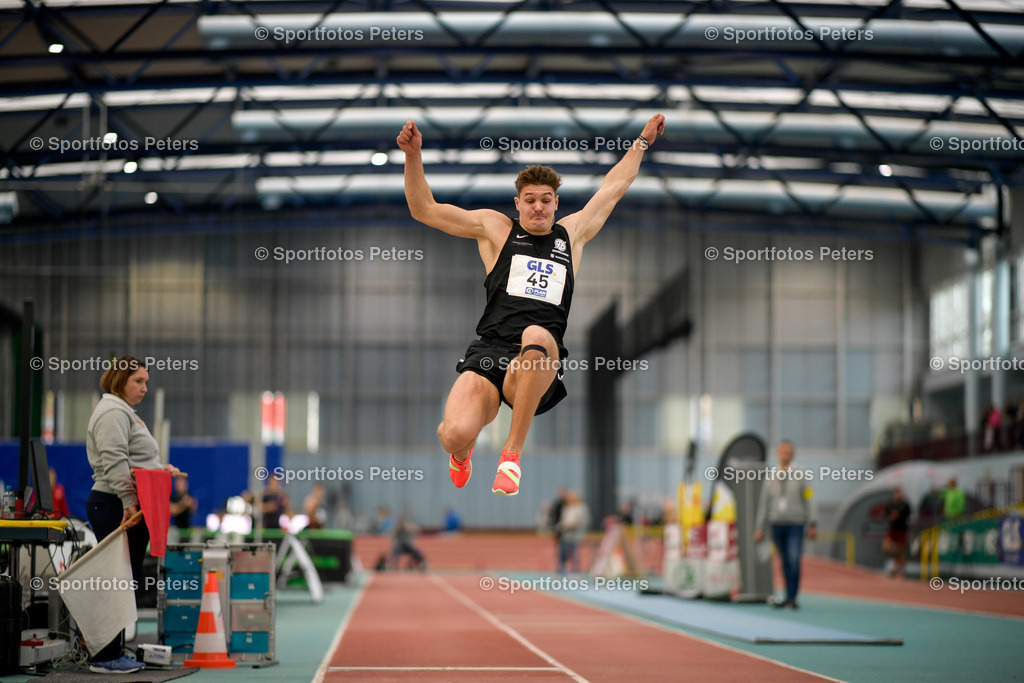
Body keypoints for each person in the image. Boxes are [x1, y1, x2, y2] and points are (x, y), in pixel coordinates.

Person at [398, 114, 666, 497]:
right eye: (530, 201)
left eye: (545, 201)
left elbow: (614, 187)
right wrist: (412, 156)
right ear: (517, 203)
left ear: (556, 203)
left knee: (536, 334)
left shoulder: (571, 235)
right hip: (490, 352)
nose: (538, 208)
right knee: (453, 434)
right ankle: (463, 453)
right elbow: (424, 209)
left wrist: (641, 141)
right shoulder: (495, 229)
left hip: (538, 358)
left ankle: (511, 455)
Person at [86, 356, 180, 674]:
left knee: (124, 580)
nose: (144, 388)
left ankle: (112, 651)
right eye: (138, 381)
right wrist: (129, 501)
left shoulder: (123, 412)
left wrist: (159, 470)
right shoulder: (113, 411)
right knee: (117, 580)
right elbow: (114, 459)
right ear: (119, 380)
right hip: (115, 504)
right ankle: (105, 656)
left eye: (146, 381)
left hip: (123, 503)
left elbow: (134, 459)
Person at [753, 440, 817, 609]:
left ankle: (792, 597)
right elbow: (763, 503)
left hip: (795, 523)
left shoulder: (801, 474)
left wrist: (812, 523)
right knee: (784, 561)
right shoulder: (771, 476)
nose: (786, 454)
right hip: (776, 523)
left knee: (794, 559)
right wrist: (759, 527)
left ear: (793, 454)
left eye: (789, 451)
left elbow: (809, 498)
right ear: (778, 453)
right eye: (783, 451)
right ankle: (787, 594)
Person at [556, 490, 590, 574]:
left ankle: (576, 569)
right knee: (562, 552)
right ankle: (562, 568)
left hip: (575, 534)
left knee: (574, 552)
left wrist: (571, 525)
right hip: (565, 534)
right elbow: (564, 519)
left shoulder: (581, 508)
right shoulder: (567, 508)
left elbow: (583, 520)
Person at [883, 487, 911, 578]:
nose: (898, 495)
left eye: (900, 493)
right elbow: (886, 514)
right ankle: (896, 564)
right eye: (897, 493)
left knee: (901, 550)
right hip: (892, 529)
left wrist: (897, 515)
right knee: (886, 547)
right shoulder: (890, 503)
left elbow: (906, 515)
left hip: (902, 530)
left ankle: (896, 570)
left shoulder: (905, 505)